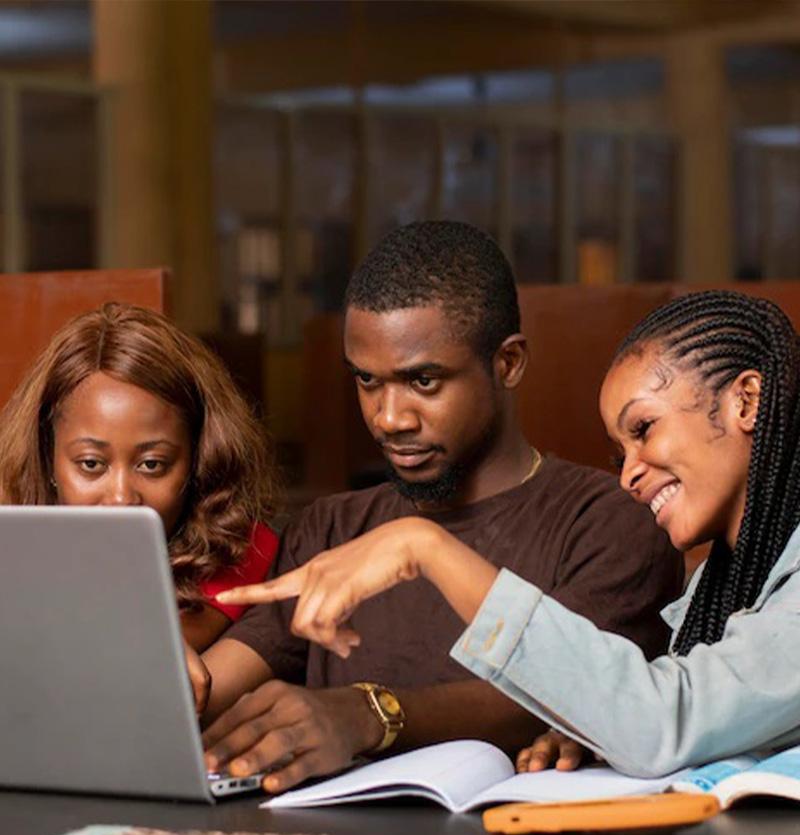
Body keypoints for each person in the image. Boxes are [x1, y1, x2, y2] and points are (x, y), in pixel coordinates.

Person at [198, 220, 683, 793]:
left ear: (508, 364)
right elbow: (211, 685)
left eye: (423, 381)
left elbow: (573, 691)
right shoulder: (330, 527)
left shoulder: (609, 522)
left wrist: (364, 716)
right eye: (367, 381)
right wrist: (166, 684)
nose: (389, 417)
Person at [237, 289, 800, 778]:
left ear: (746, 400)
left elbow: (661, 721)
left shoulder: (602, 525)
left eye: (644, 428)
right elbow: (684, 712)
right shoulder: (722, 581)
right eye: (619, 449)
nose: (628, 474)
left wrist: (422, 546)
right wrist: (596, 733)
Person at [0, 302, 279, 653]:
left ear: (198, 461)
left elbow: (134, 661)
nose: (121, 497)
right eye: (90, 464)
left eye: (151, 464)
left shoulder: (241, 547)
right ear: (47, 456)